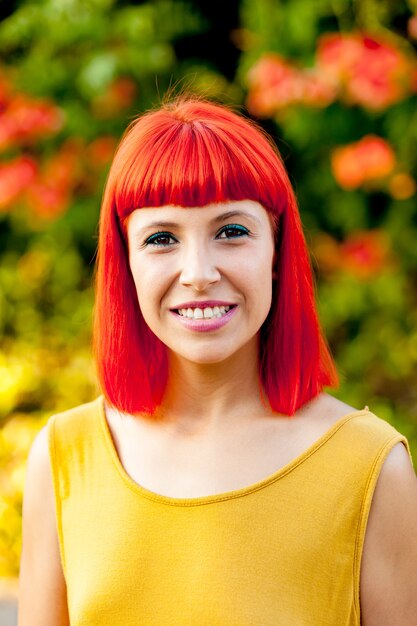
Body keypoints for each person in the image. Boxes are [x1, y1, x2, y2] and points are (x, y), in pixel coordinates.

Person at [18, 97, 417, 626]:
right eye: (161, 239)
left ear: (277, 250)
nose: (198, 272)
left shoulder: (372, 466)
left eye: (231, 232)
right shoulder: (65, 457)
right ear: (126, 261)